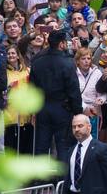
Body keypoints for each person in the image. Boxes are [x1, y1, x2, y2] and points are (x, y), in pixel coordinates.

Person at [29, 29, 83, 163]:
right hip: (62, 109)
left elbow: (32, 87)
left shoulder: (37, 61)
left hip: (42, 108)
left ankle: (39, 181)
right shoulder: (68, 63)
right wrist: (78, 111)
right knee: (63, 146)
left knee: (41, 146)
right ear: (62, 44)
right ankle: (62, 181)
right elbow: (73, 89)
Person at [75, 47, 106, 132]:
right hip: (78, 111)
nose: (86, 61)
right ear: (77, 61)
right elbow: (73, 93)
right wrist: (84, 107)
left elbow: (103, 92)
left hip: (94, 112)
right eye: (83, 58)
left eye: (88, 58)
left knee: (93, 139)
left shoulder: (97, 73)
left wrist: (101, 99)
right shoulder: (73, 73)